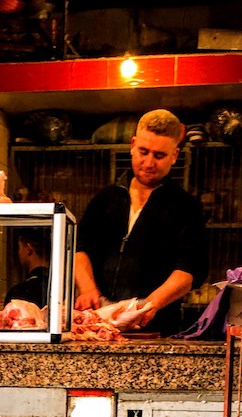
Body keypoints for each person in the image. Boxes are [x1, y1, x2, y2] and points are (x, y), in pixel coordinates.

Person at [74, 109, 209, 335]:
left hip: (154, 327)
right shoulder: (105, 199)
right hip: (97, 323)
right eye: (143, 152)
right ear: (132, 144)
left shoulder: (186, 207)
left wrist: (150, 304)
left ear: (175, 155)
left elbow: (189, 270)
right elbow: (81, 248)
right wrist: (87, 288)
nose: (148, 162)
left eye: (159, 155)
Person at [4, 227, 50, 307]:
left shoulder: (19, 293)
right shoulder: (60, 287)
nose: (19, 253)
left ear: (28, 249)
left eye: (19, 247)